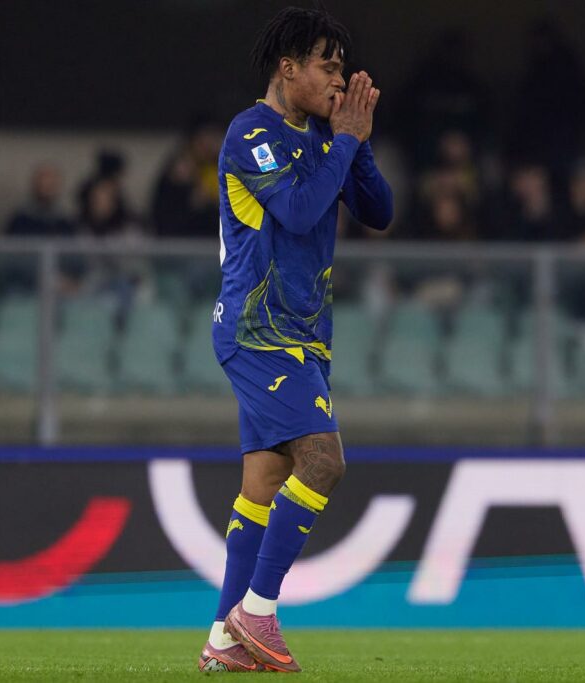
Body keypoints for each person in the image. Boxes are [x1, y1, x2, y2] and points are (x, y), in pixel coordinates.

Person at [198, 6, 392, 673]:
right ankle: (256, 610)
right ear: (287, 68)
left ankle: (224, 641)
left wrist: (355, 142)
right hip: (259, 332)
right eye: (326, 67)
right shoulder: (250, 133)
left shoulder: (322, 137)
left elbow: (380, 211)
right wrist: (342, 143)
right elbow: (302, 211)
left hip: (303, 336)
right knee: (323, 460)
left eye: (343, 68)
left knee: (263, 481)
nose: (339, 79)